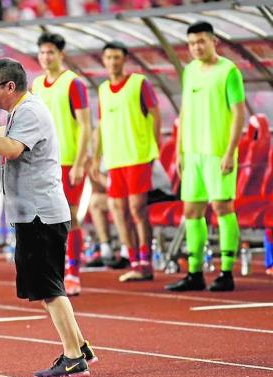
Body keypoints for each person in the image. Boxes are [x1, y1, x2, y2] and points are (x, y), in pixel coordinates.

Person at [0, 57, 95, 377]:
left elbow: (12, 147)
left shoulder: (29, 111)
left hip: (40, 214)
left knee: (49, 289)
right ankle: (79, 345)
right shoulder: (22, 110)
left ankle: (74, 357)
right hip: (36, 213)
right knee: (50, 286)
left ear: (9, 86)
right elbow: (3, 131)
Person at [166, 21, 245, 292]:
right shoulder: (189, 71)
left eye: (201, 41)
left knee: (223, 207)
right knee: (191, 211)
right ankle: (195, 272)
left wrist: (230, 151)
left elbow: (239, 114)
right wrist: (179, 149)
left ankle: (226, 272)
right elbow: (185, 112)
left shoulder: (229, 71)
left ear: (214, 41)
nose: (196, 47)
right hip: (193, 153)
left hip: (217, 152)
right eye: (191, 43)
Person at [91, 41, 162, 283]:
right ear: (103, 60)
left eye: (117, 57)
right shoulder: (102, 90)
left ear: (125, 59)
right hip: (114, 159)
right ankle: (133, 260)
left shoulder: (139, 83)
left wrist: (155, 146)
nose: (113, 62)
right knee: (119, 210)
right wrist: (96, 156)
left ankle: (146, 261)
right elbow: (100, 126)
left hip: (138, 156)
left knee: (137, 209)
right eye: (108, 57)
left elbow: (155, 112)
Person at [32, 33, 91, 296]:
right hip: (42, 163)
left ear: (61, 55)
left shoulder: (73, 83)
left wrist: (80, 162)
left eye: (51, 52)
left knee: (70, 218)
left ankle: (74, 272)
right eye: (42, 52)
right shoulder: (35, 85)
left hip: (67, 160)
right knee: (44, 220)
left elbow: (86, 126)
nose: (46, 57)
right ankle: (55, 271)